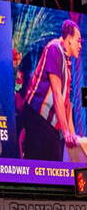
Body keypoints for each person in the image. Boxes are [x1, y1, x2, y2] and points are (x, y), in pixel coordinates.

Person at [23, 20, 83, 161]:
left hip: (50, 124)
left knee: (57, 161)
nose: (80, 46)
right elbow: (56, 94)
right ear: (69, 39)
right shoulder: (54, 49)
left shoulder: (67, 62)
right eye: (78, 41)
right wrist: (66, 132)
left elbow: (66, 102)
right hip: (38, 117)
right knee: (41, 165)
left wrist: (73, 136)